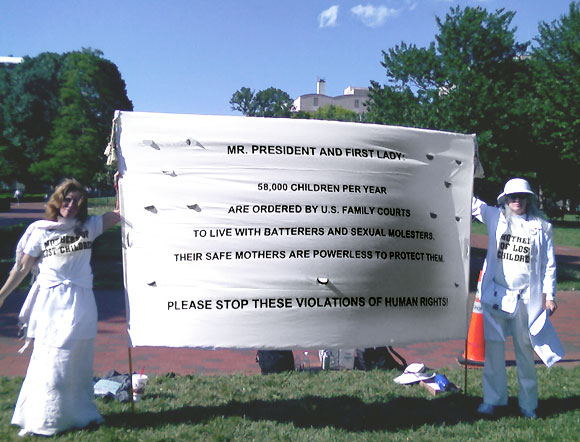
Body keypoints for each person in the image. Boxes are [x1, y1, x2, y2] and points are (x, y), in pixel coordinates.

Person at [0, 175, 120, 436]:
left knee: (77, 359)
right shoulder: (42, 231)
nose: (72, 204)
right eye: (68, 199)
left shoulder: (88, 226)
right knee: (51, 359)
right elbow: (22, 269)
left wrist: (118, 184)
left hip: (82, 303)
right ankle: (45, 418)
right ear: (58, 200)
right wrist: (2, 294)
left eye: (78, 200)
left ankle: (79, 414)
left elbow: (119, 213)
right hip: (51, 303)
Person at [472, 178, 557, 419]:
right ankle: (492, 399)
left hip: (526, 300)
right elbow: (469, 203)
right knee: (494, 350)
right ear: (505, 199)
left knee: (525, 352)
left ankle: (528, 404)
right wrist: (464, 169)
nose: (516, 200)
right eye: (512, 197)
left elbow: (549, 264)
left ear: (528, 198)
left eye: (520, 196)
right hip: (497, 296)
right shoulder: (494, 217)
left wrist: (549, 296)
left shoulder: (543, 226)